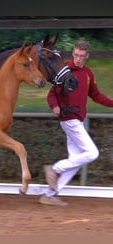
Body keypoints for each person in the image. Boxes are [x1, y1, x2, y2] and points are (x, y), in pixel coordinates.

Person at [39, 39, 113, 206]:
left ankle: (49, 194)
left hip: (77, 121)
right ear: (73, 53)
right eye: (75, 55)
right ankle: (54, 169)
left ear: (87, 55)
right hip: (69, 119)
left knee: (76, 161)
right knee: (92, 153)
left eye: (81, 56)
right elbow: (52, 95)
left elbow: (96, 96)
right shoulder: (64, 71)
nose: (77, 58)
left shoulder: (88, 74)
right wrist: (55, 106)